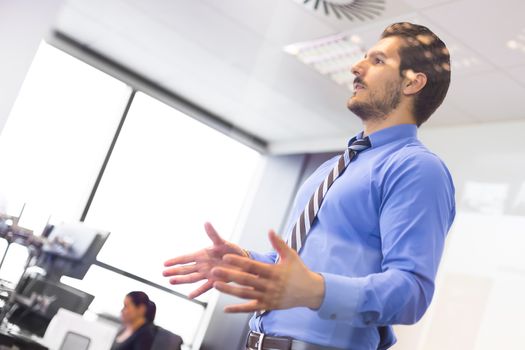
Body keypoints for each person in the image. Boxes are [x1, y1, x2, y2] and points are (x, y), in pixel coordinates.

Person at [163, 22, 455, 350]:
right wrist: (246, 262)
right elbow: (295, 271)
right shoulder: (331, 170)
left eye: (377, 61)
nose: (356, 67)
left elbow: (412, 292)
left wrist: (318, 290)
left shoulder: (416, 168)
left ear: (412, 83)